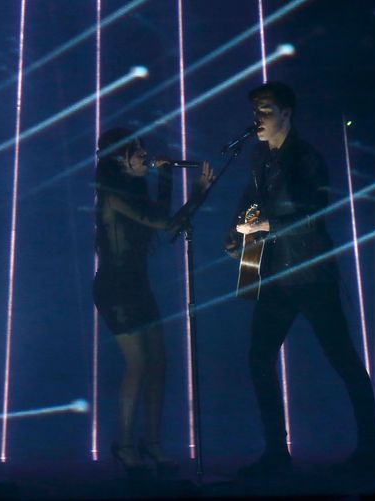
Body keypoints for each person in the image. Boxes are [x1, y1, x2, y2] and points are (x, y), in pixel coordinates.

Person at [224, 82, 375, 478]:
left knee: (342, 357)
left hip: (310, 274)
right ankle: (276, 452)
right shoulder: (260, 156)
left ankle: (371, 446)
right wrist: (238, 232)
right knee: (259, 359)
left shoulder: (306, 157)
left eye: (265, 110)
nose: (257, 118)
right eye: (255, 110)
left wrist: (265, 223)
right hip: (275, 273)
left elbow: (312, 212)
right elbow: (249, 202)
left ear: (286, 113)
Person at [94, 128, 213, 475]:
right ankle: (126, 445)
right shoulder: (112, 197)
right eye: (138, 153)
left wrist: (192, 193)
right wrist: (172, 181)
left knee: (159, 364)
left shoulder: (134, 192)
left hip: (138, 285)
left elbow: (171, 226)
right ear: (119, 159)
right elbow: (162, 220)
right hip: (115, 289)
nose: (145, 157)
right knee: (138, 364)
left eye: (145, 152)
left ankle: (152, 442)